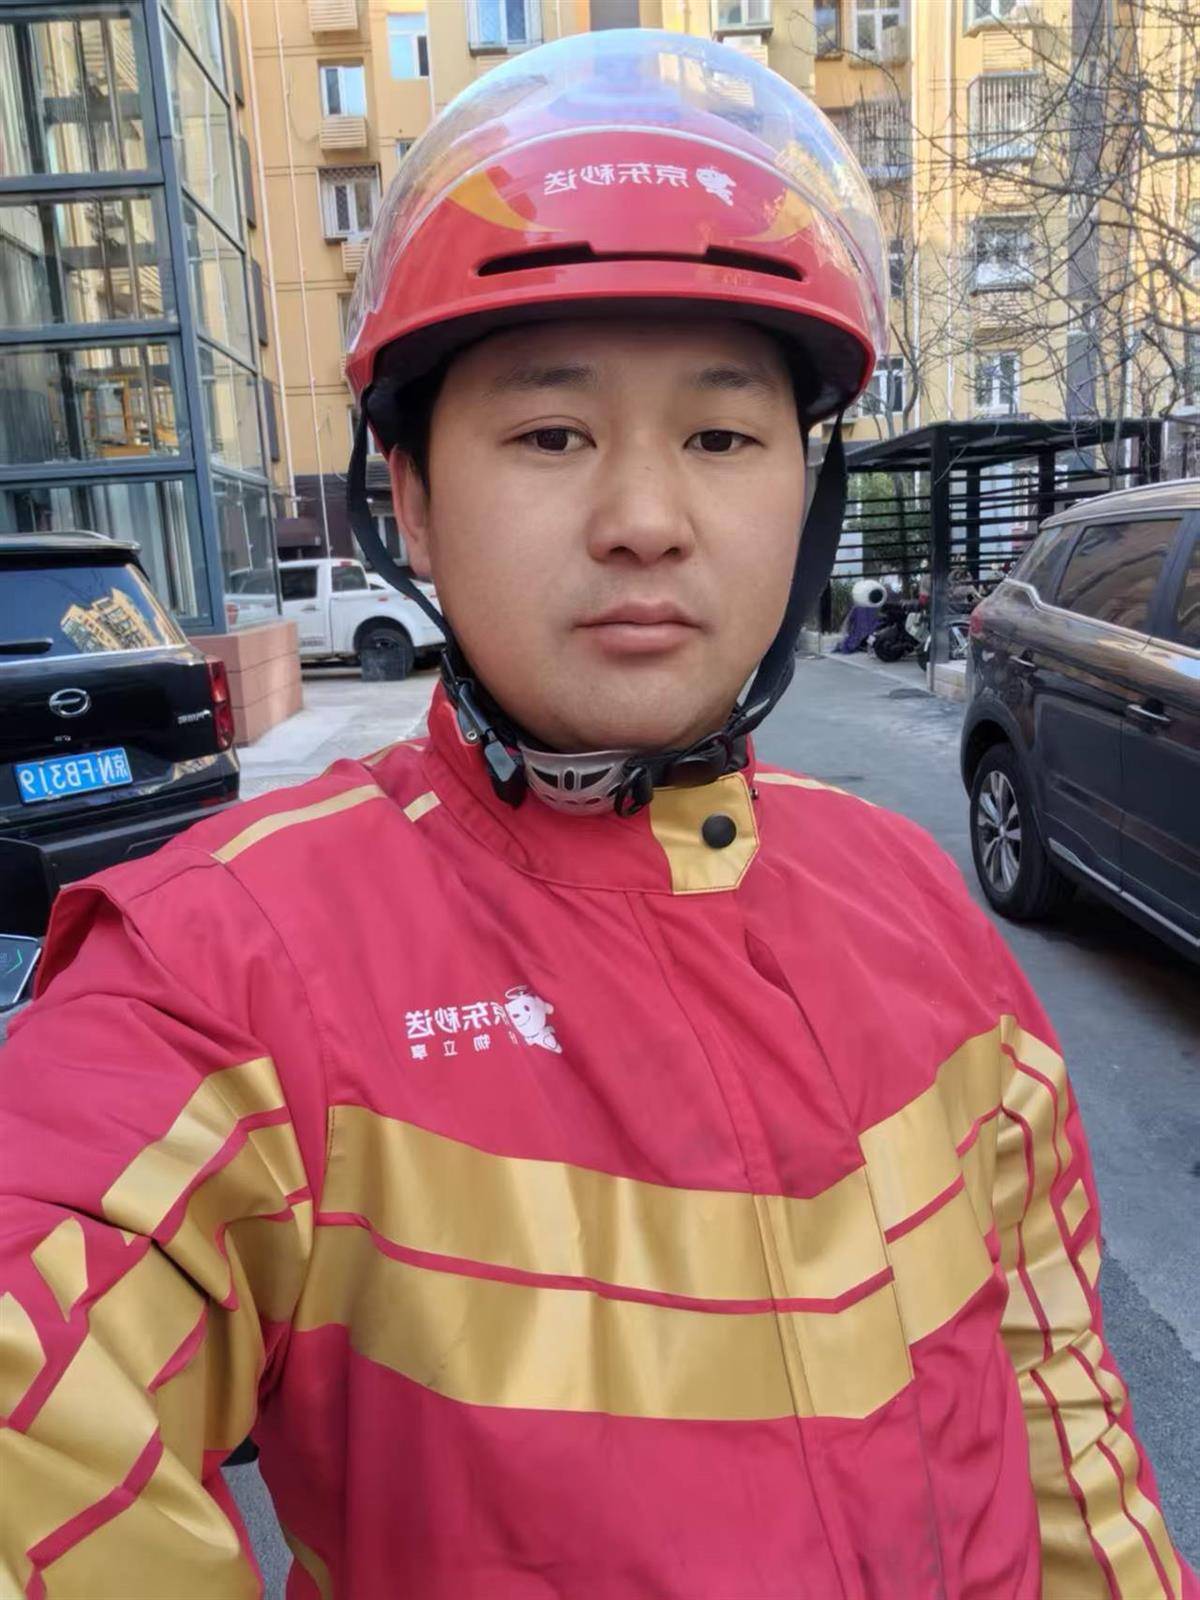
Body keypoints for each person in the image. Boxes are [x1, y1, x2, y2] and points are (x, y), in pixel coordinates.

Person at [0, 30, 1193, 1600]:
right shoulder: (225, 966)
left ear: (806, 494)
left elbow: (1062, 1421)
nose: (644, 519)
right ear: (411, 499)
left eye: (722, 436)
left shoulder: (912, 904)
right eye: (551, 436)